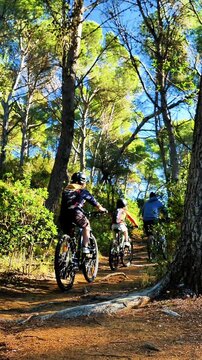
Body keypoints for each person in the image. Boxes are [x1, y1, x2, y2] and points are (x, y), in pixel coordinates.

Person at [59, 172, 107, 254]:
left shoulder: (66, 190)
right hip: (75, 213)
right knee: (86, 226)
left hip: (63, 215)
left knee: (68, 237)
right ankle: (85, 248)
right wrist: (101, 209)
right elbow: (94, 202)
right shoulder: (82, 191)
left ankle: (64, 256)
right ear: (82, 182)